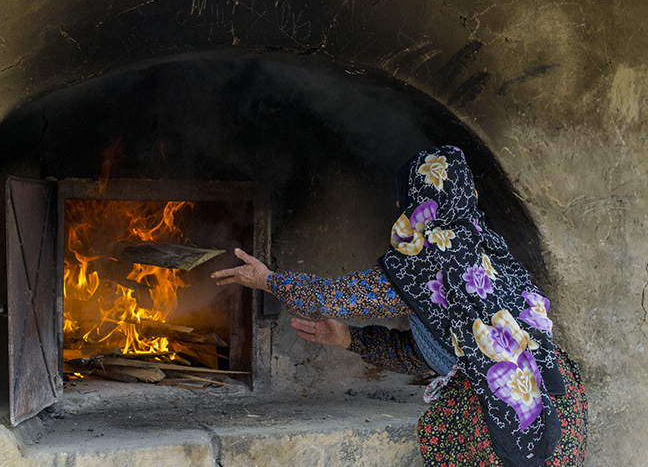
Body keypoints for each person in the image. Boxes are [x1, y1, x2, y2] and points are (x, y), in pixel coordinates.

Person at [212, 146, 587, 467]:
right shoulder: (492, 251)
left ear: (418, 204)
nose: (397, 205)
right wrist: (349, 340)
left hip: (501, 424)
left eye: (403, 198)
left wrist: (267, 280)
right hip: (561, 410)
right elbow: (436, 354)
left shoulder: (425, 263)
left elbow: (330, 297)